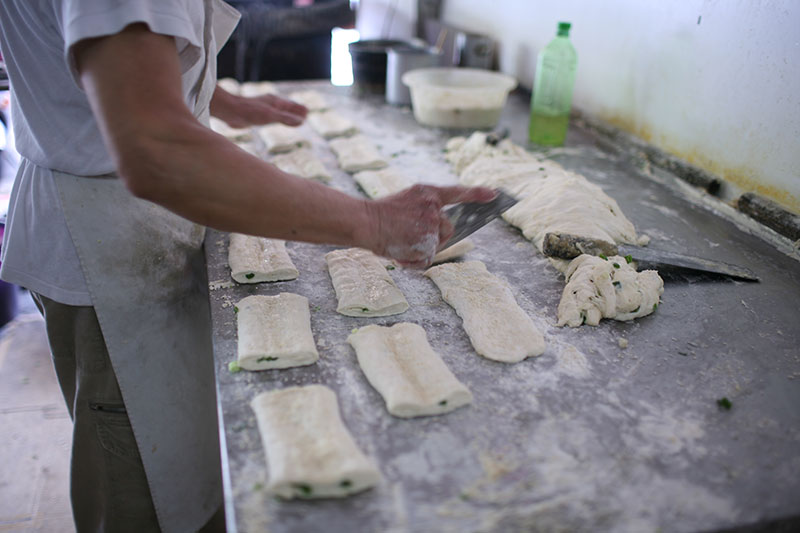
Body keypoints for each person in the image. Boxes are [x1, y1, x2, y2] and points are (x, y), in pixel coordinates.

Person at [0, 1, 494, 532]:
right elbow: (154, 149)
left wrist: (211, 97)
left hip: (132, 221)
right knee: (143, 494)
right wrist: (370, 222)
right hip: (106, 245)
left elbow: (115, 70)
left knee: (184, 465)